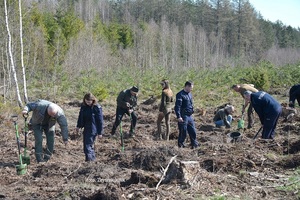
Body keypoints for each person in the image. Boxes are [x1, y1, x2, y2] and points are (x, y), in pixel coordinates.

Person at [76, 93, 103, 162]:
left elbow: (100, 121)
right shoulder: (83, 106)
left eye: (89, 101)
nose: (88, 103)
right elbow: (80, 117)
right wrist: (78, 126)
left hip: (92, 128)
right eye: (86, 101)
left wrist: (100, 132)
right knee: (87, 145)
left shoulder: (96, 107)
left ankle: (89, 162)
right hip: (86, 127)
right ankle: (91, 160)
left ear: (93, 100)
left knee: (87, 146)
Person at [174, 81, 199, 149]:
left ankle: (194, 144)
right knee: (183, 131)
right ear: (187, 86)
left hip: (190, 116)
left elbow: (190, 104)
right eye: (191, 88)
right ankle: (181, 145)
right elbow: (177, 106)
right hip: (183, 116)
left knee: (193, 131)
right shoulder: (180, 94)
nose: (191, 89)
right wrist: (178, 116)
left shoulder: (189, 94)